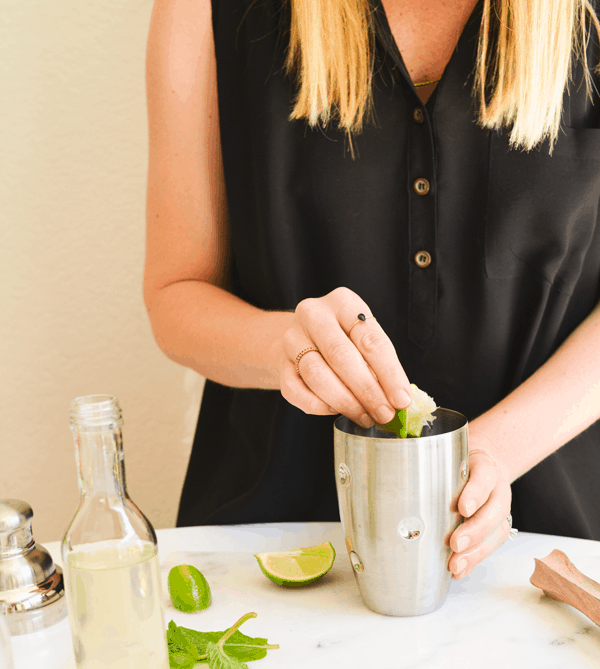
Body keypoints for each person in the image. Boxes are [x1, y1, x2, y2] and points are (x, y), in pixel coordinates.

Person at [143, 0, 600, 582]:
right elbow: (175, 294)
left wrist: (493, 453)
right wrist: (285, 345)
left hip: (552, 549)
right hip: (276, 547)